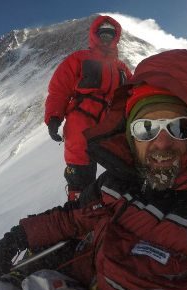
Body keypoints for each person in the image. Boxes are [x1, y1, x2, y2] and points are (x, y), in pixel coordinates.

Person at [0, 49, 187, 290]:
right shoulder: (118, 180)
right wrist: (18, 236)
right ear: (129, 136)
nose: (161, 143)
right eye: (146, 129)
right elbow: (73, 217)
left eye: (178, 127)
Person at [45, 15, 132, 201]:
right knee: (80, 171)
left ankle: (119, 206)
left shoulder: (122, 68)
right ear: (95, 35)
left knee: (125, 167)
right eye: (103, 34)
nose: (106, 38)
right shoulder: (78, 59)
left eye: (110, 34)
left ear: (116, 37)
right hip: (81, 119)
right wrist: (53, 117)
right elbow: (59, 89)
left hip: (112, 123)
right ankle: (79, 210)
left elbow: (134, 94)